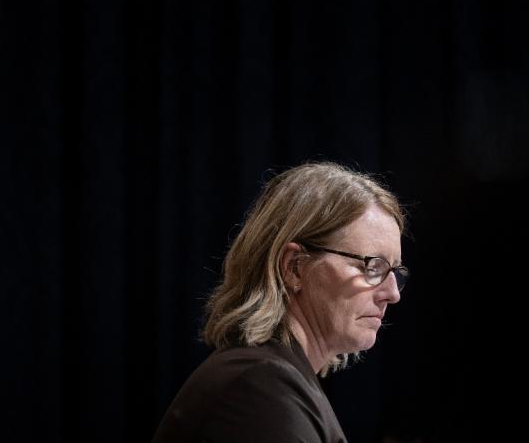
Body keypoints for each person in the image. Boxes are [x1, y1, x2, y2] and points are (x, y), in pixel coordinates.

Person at [152, 161, 409, 443]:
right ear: (293, 267)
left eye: (395, 271)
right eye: (372, 266)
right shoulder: (255, 389)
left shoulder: (279, 380)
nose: (392, 293)